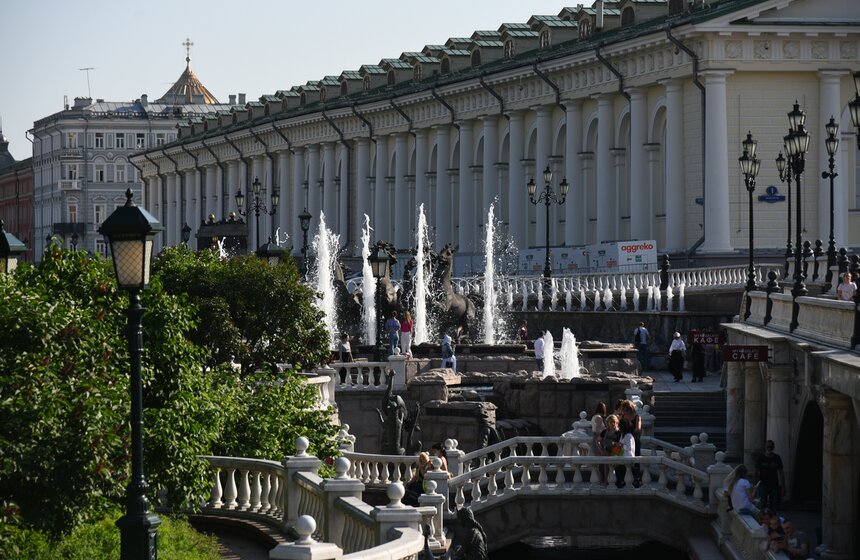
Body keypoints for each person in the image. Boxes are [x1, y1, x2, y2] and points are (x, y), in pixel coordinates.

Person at [755, 440, 785, 511]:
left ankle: (772, 520)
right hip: (763, 484)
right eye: (767, 447)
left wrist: (783, 486)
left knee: (774, 506)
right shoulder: (761, 457)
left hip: (774, 484)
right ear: (765, 447)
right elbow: (756, 471)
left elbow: (781, 472)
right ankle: (762, 521)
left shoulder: (777, 458)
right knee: (762, 505)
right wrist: (755, 485)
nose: (769, 448)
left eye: (771, 447)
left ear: (773, 447)